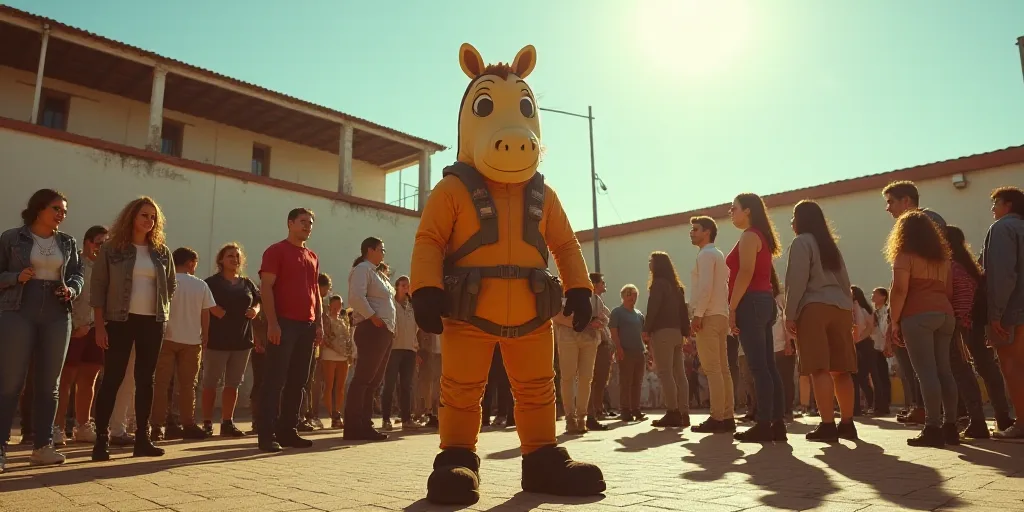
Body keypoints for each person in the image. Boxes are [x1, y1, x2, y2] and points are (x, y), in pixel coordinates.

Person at [0, 189, 83, 471]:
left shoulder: (68, 242)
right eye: (56, 209)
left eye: (64, 211)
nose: (61, 214)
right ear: (39, 209)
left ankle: (42, 446)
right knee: (11, 381)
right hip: (18, 307)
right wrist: (14, 276)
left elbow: (77, 274)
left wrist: (72, 289)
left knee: (50, 384)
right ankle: (0, 448)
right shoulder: (12, 237)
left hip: (58, 312)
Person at [91, 196, 176, 461]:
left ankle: (143, 438)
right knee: (113, 378)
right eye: (144, 215)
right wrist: (99, 326)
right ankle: (101, 440)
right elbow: (98, 288)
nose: (149, 221)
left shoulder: (162, 251)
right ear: (132, 217)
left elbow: (170, 285)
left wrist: (161, 310)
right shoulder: (112, 249)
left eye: (153, 217)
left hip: (152, 322)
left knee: (146, 380)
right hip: (119, 320)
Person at [784, 200, 856, 442]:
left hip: (814, 307)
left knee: (818, 368)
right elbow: (847, 283)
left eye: (794, 217)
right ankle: (848, 422)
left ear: (802, 219)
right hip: (841, 308)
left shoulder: (801, 242)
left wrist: (789, 314)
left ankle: (827, 425)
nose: (791, 222)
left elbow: (797, 281)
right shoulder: (830, 246)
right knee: (841, 369)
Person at [886, 210, 958, 447]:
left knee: (926, 372)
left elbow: (899, 291)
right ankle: (950, 426)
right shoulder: (942, 259)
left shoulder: (904, 256)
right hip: (945, 314)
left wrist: (894, 321)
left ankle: (932, 427)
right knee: (944, 371)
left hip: (918, 315)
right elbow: (948, 291)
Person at [257, 208, 322, 452]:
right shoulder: (276, 251)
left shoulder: (313, 256)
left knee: (298, 381)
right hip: (283, 324)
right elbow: (266, 288)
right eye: (303, 222)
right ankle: (266, 434)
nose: (307, 226)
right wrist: (272, 323)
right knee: (274, 380)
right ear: (290, 223)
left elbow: (315, 292)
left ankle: (288, 430)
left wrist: (319, 324)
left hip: (307, 325)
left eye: (311, 223)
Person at [727, 193, 786, 443]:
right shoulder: (760, 235)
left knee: (759, 367)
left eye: (734, 208)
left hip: (751, 302)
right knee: (768, 366)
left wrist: (732, 308)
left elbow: (746, 272)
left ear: (748, 210)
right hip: (763, 301)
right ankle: (777, 423)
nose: (731, 212)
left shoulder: (750, 236)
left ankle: (764, 424)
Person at [151, 248, 216, 441]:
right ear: (190, 263)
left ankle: (157, 426)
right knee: (188, 385)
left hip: (166, 338)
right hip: (191, 341)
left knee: (161, 384)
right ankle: (188, 423)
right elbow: (206, 313)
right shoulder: (200, 285)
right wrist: (205, 336)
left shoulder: (165, 281)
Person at [54, 225, 107, 446]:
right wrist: (76, 325)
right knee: (65, 380)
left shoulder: (108, 267)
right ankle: (56, 428)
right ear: (87, 242)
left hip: (98, 328)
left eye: (105, 244)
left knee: (89, 379)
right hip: (75, 328)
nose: (100, 248)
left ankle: (83, 426)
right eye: (98, 243)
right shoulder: (76, 264)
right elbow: (68, 293)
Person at [202, 243, 261, 437]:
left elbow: (259, 300)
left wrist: (256, 310)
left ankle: (227, 422)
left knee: (233, 384)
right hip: (217, 340)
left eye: (237, 256)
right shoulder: (211, 282)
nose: (234, 259)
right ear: (221, 260)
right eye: (230, 256)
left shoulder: (247, 283)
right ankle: (207, 423)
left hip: (242, 340)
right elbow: (201, 299)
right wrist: (212, 308)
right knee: (211, 382)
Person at [345, 236, 396, 441]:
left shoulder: (378, 273)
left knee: (374, 381)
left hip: (384, 331)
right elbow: (356, 297)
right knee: (363, 379)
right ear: (370, 249)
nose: (384, 253)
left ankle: (365, 424)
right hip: (372, 329)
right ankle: (353, 426)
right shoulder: (363, 269)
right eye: (381, 249)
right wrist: (373, 317)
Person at [983, 186, 1024, 440]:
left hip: (1014, 311)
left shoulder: (1001, 229)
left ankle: (1022, 423)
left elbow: (1002, 275)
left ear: (1008, 205)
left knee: (1012, 367)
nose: (992, 209)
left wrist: (995, 314)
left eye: (996, 203)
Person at [688, 216, 735, 433]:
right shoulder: (718, 254)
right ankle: (727, 416)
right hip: (720, 314)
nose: (692, 232)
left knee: (713, 368)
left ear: (707, 232)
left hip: (708, 315)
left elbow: (705, 288)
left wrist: (697, 315)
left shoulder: (705, 254)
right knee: (723, 368)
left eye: (695, 229)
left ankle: (717, 417)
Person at [643, 251, 692, 428]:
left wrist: (646, 329)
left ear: (658, 265)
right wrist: (685, 332)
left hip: (662, 332)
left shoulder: (658, 284)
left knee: (665, 372)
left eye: (651, 261)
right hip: (677, 333)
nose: (649, 264)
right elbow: (683, 311)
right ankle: (684, 413)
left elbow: (653, 308)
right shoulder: (677, 287)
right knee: (679, 373)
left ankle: (672, 412)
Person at [381, 275, 421, 432]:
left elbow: (416, 328)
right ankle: (386, 419)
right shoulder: (390, 305)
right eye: (403, 285)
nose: (406, 288)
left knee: (406, 386)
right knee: (389, 384)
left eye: (408, 285)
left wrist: (415, 346)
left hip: (409, 350)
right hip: (393, 349)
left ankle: (406, 419)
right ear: (396, 287)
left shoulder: (412, 306)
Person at [610, 284, 647, 422]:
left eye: (635, 295)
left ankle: (636, 409)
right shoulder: (617, 312)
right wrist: (618, 348)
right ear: (623, 296)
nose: (632, 297)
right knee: (626, 381)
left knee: (637, 382)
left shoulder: (639, 315)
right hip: (625, 351)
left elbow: (643, 334)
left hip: (639, 351)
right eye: (629, 294)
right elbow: (614, 331)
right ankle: (625, 409)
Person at [320, 295, 354, 429]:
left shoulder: (343, 320)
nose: (337, 307)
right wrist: (335, 347)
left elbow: (347, 338)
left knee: (340, 387)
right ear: (330, 305)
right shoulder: (326, 319)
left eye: (340, 304)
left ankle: (337, 413)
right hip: (329, 355)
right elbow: (325, 336)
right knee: (329, 385)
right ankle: (331, 414)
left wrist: (349, 353)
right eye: (335, 304)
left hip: (343, 357)